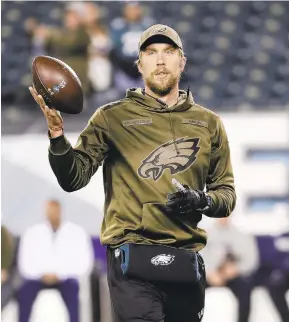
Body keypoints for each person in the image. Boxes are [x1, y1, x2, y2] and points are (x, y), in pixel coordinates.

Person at [29, 24, 236, 322]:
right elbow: (73, 178)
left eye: (168, 52)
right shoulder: (112, 117)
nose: (160, 60)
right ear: (139, 64)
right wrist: (58, 134)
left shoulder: (209, 123)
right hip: (132, 261)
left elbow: (226, 195)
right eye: (151, 53)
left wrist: (199, 200)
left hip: (185, 261)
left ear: (182, 61)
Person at [17, 199, 94, 322]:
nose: (52, 214)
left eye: (54, 211)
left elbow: (84, 264)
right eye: (49, 211)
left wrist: (60, 274)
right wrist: (43, 275)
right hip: (39, 278)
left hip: (64, 278)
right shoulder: (32, 232)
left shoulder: (75, 232)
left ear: (60, 211)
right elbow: (24, 264)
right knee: (25, 293)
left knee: (73, 292)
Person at [201, 217, 259, 322]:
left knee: (245, 289)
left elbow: (252, 261)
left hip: (233, 275)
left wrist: (237, 269)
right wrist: (209, 272)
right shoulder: (204, 235)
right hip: (211, 274)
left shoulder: (242, 236)